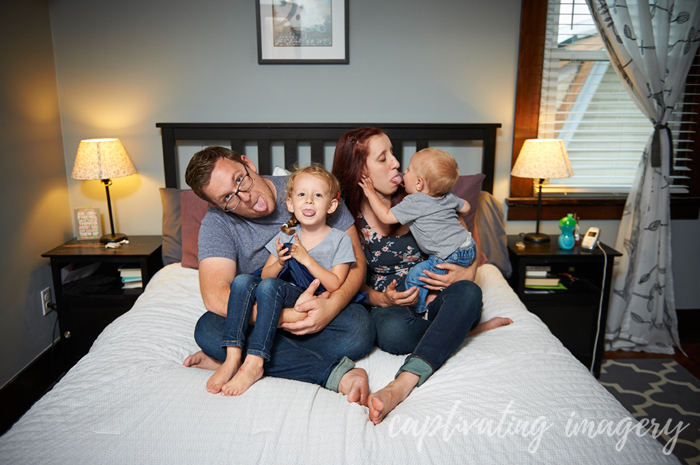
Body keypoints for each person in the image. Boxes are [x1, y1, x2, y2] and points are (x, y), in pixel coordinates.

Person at [332, 127, 512, 424]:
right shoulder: (344, 215)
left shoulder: (426, 194)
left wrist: (464, 274)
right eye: (383, 158)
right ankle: (459, 332)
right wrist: (383, 298)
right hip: (392, 305)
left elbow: (467, 248)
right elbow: (347, 279)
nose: (395, 163)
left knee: (469, 294)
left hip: (438, 293)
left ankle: (403, 383)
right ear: (360, 170)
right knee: (391, 332)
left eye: (393, 153)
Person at [182, 146, 375, 405]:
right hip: (266, 308)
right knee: (207, 328)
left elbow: (357, 264)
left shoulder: (310, 188)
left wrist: (330, 306)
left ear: (248, 163)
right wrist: (286, 317)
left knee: (359, 330)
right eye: (228, 197)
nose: (246, 197)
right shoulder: (217, 223)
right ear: (220, 206)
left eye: (240, 179)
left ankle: (234, 355)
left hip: (318, 303)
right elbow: (216, 296)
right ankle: (333, 374)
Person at [207, 165, 357, 396]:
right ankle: (232, 357)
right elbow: (267, 274)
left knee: (359, 330)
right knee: (241, 283)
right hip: (279, 302)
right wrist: (278, 261)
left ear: (331, 205)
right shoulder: (285, 234)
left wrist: (306, 260)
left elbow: (335, 284)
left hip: (309, 301)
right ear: (290, 204)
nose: (308, 201)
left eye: (317, 195)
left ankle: (255, 359)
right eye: (301, 195)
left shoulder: (339, 240)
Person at [358, 147, 476, 313]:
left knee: (417, 276)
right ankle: (439, 311)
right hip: (468, 248)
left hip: (447, 256)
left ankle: (420, 310)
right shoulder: (447, 195)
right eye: (383, 157)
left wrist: (370, 192)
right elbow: (466, 208)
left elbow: (385, 216)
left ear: (419, 183)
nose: (399, 168)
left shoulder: (414, 202)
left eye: (407, 170)